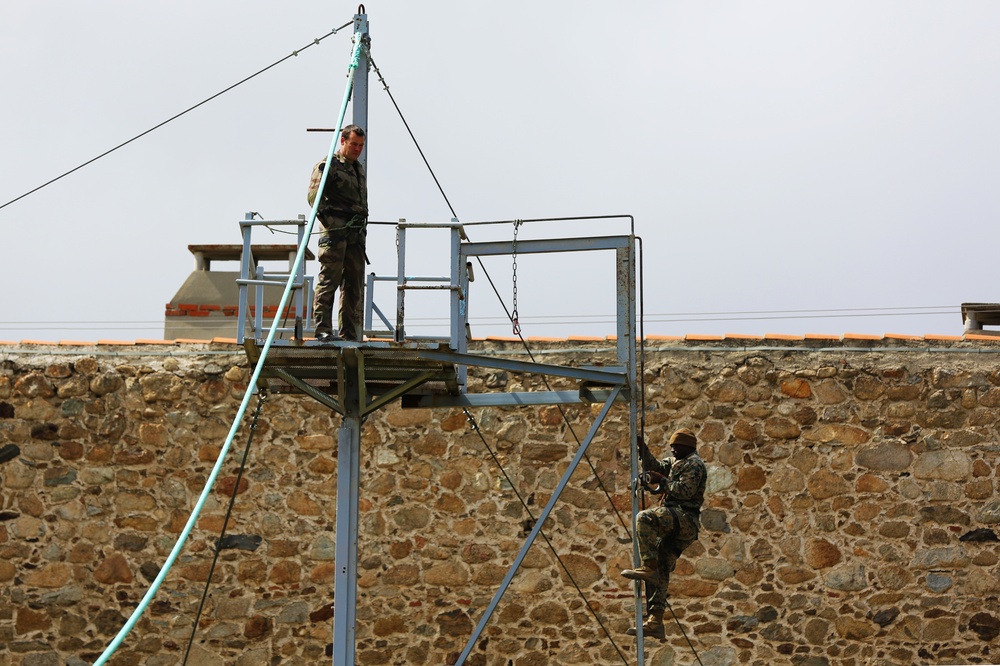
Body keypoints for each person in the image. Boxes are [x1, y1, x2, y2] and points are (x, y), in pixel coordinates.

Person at [621, 428, 707, 640]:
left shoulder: (694, 464)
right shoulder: (676, 462)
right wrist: (642, 448)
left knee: (644, 518)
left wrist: (663, 481)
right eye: (672, 445)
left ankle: (648, 567)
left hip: (685, 518)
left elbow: (684, 491)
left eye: (676, 446)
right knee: (661, 568)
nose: (673, 449)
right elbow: (656, 467)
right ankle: (655, 621)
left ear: (688, 447)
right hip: (676, 521)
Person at [308, 124, 369, 342]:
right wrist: (334, 225)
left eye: (361, 145)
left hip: (355, 236)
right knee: (329, 281)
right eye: (353, 144)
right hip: (335, 235)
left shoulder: (358, 170)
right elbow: (314, 199)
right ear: (343, 141)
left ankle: (349, 333)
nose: (357, 149)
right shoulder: (329, 166)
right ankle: (323, 329)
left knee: (353, 285)